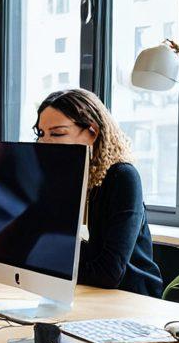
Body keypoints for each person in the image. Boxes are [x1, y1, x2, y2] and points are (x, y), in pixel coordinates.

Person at [34, 88, 162, 296]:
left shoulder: (123, 177)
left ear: (92, 132)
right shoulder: (65, 177)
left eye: (57, 133)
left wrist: (44, 268)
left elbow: (108, 273)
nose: (43, 142)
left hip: (129, 299)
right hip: (85, 291)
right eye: (41, 133)